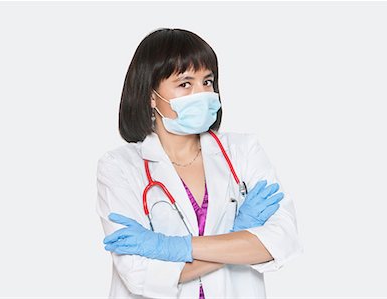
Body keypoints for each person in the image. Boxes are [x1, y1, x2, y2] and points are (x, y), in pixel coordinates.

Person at [96, 28, 303, 299]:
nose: (202, 93)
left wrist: (170, 248)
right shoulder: (119, 167)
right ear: (151, 95)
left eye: (207, 81)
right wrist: (238, 238)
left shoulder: (244, 151)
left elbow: (282, 241)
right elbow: (138, 273)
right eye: (185, 84)